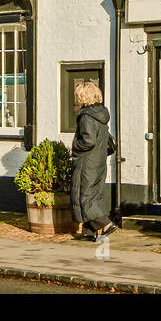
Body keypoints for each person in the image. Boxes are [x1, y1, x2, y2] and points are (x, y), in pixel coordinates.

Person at [70, 80, 115, 239]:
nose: (77, 98)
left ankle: (105, 223)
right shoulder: (100, 113)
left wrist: (75, 144)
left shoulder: (86, 116)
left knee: (84, 195)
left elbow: (88, 141)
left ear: (84, 96)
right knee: (94, 193)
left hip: (87, 161)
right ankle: (90, 232)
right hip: (98, 160)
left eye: (78, 96)